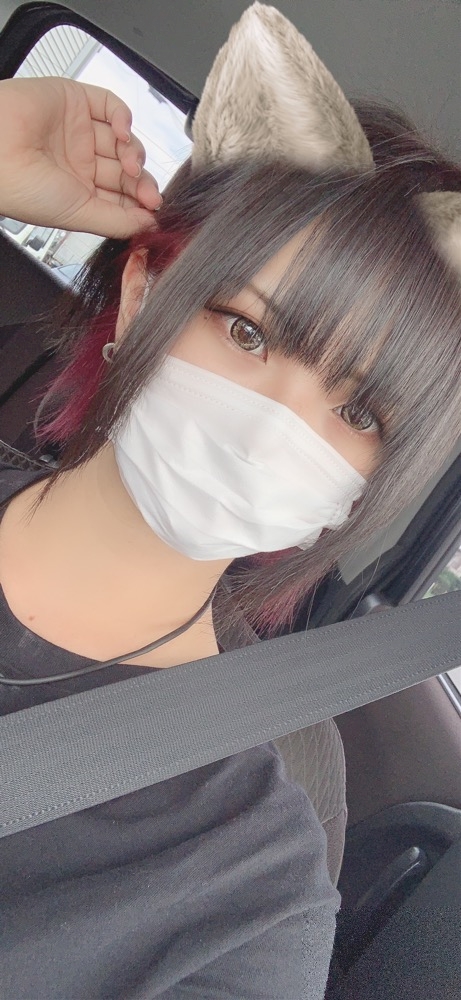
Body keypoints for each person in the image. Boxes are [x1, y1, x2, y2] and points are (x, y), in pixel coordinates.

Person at [0, 5, 460, 998]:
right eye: (248, 333)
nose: (271, 428)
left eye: (358, 412)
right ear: (140, 297)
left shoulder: (251, 877)